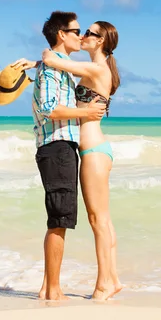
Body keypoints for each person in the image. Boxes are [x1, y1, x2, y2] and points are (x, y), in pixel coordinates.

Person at [13, 20, 122, 301]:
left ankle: (103, 285)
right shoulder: (95, 68)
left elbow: (58, 61)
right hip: (93, 148)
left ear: (100, 41)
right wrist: (36, 65)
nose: (84, 35)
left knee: (98, 219)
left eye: (89, 33)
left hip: (93, 149)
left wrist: (44, 58)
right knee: (103, 220)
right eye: (82, 31)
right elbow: (59, 65)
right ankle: (113, 279)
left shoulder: (98, 67)